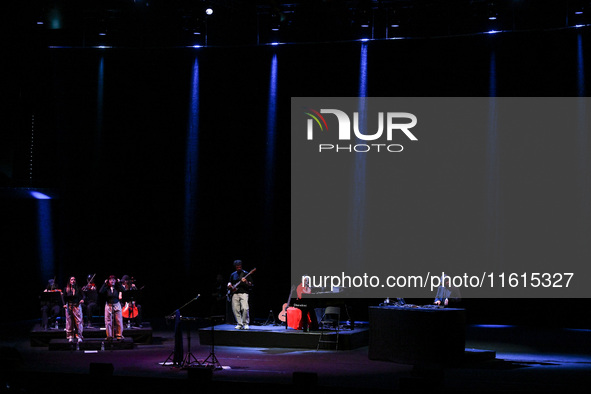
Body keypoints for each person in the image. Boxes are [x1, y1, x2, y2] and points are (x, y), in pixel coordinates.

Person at [227, 260, 253, 330]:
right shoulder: (233, 274)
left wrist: (246, 282)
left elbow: (251, 284)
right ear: (235, 267)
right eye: (237, 267)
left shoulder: (246, 273)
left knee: (245, 308)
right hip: (235, 293)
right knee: (235, 309)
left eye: (240, 267)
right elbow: (230, 282)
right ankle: (239, 323)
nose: (239, 268)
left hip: (244, 293)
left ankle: (246, 323)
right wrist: (229, 285)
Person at [99, 275, 125, 340]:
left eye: (113, 280)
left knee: (118, 320)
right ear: (108, 281)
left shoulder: (117, 287)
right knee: (108, 321)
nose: (112, 281)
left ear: (115, 281)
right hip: (109, 305)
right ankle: (109, 336)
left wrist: (119, 283)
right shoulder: (107, 288)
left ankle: (119, 335)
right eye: (110, 280)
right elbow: (100, 291)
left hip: (117, 304)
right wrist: (104, 283)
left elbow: (123, 290)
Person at [63, 276, 84, 343]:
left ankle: (79, 336)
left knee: (78, 321)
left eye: (74, 279)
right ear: (69, 281)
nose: (73, 281)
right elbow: (63, 297)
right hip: (69, 306)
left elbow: (83, 295)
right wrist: (64, 304)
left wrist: (82, 299)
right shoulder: (66, 289)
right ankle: (70, 336)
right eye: (72, 280)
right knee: (69, 322)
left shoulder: (78, 288)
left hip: (77, 306)